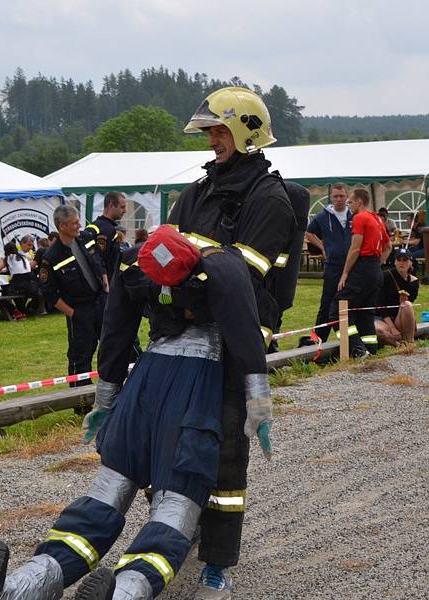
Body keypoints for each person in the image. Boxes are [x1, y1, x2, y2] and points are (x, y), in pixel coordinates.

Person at [0, 227, 273, 600]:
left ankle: (21, 585)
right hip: (193, 393)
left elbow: (116, 330)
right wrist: (259, 403)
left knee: (103, 496)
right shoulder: (225, 269)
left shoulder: (133, 262)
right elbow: (247, 336)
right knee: (173, 507)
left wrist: (106, 399)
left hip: (144, 386)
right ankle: (123, 593)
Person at [167, 86, 296, 598]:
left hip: (234, 337)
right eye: (211, 132)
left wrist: (187, 275)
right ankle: (178, 526)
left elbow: (243, 273)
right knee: (173, 437)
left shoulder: (270, 199)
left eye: (221, 131)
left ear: (247, 132)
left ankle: (218, 562)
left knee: (224, 451)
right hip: (184, 329)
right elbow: (167, 250)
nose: (213, 140)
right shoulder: (197, 191)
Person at [39, 205, 107, 387]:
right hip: (79, 309)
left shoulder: (86, 238)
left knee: (111, 345)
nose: (79, 226)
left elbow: (100, 262)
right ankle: (80, 402)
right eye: (75, 223)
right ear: (62, 226)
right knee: (81, 355)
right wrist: (73, 313)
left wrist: (106, 285)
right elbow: (49, 292)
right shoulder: (51, 256)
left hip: (100, 302)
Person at [329, 188, 391, 358]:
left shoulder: (359, 218)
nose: (348, 205)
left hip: (363, 268)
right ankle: (371, 350)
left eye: (350, 202)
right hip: (375, 270)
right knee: (365, 312)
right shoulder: (377, 219)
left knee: (337, 310)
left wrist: (345, 273)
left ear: (359, 202)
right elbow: (388, 246)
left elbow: (355, 248)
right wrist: (377, 265)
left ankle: (358, 349)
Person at [304, 183, 353, 342]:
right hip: (333, 265)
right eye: (335, 196)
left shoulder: (354, 215)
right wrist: (323, 246)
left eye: (342, 196)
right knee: (327, 301)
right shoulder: (323, 216)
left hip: (353, 265)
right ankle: (318, 338)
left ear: (347, 197)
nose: (339, 199)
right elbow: (309, 232)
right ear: (331, 197)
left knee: (352, 301)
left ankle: (352, 337)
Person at [375, 247, 419, 346]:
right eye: (398, 260)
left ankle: (410, 342)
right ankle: (398, 345)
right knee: (378, 330)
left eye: (405, 260)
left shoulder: (414, 281)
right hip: (382, 317)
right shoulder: (385, 276)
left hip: (399, 317)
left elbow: (410, 304)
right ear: (394, 262)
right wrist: (392, 328)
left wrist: (402, 302)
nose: (401, 263)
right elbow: (380, 305)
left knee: (407, 304)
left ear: (411, 263)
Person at [81, 191, 127, 280]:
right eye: (122, 207)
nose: (125, 211)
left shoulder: (93, 226)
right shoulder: (108, 230)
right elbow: (103, 260)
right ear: (111, 205)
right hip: (105, 283)